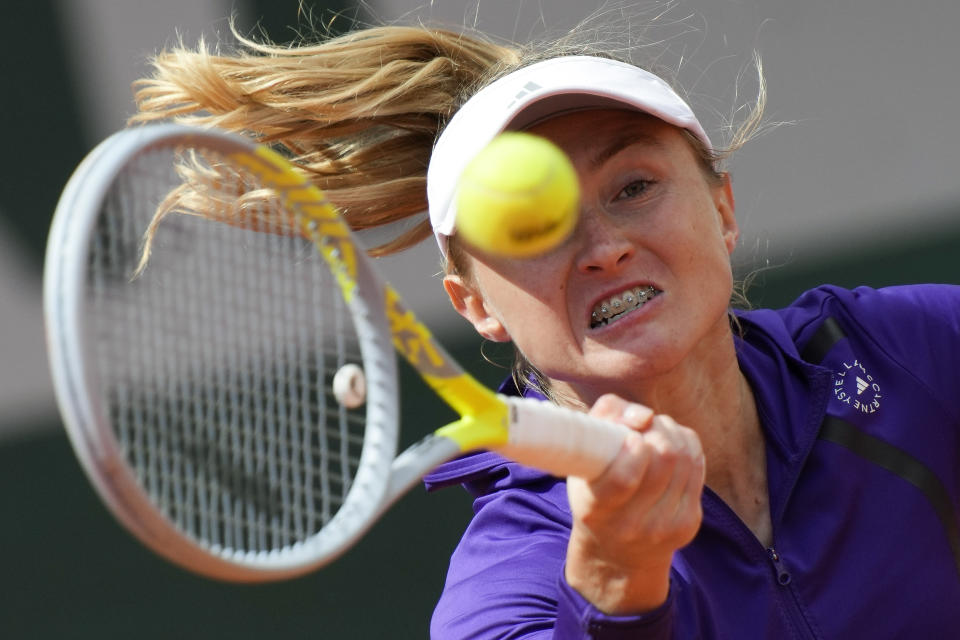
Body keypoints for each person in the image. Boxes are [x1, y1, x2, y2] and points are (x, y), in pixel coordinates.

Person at [131, 19, 960, 639]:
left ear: (722, 206)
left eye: (632, 186)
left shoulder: (903, 354)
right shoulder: (508, 588)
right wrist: (613, 586)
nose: (603, 246)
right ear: (474, 305)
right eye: (533, 225)